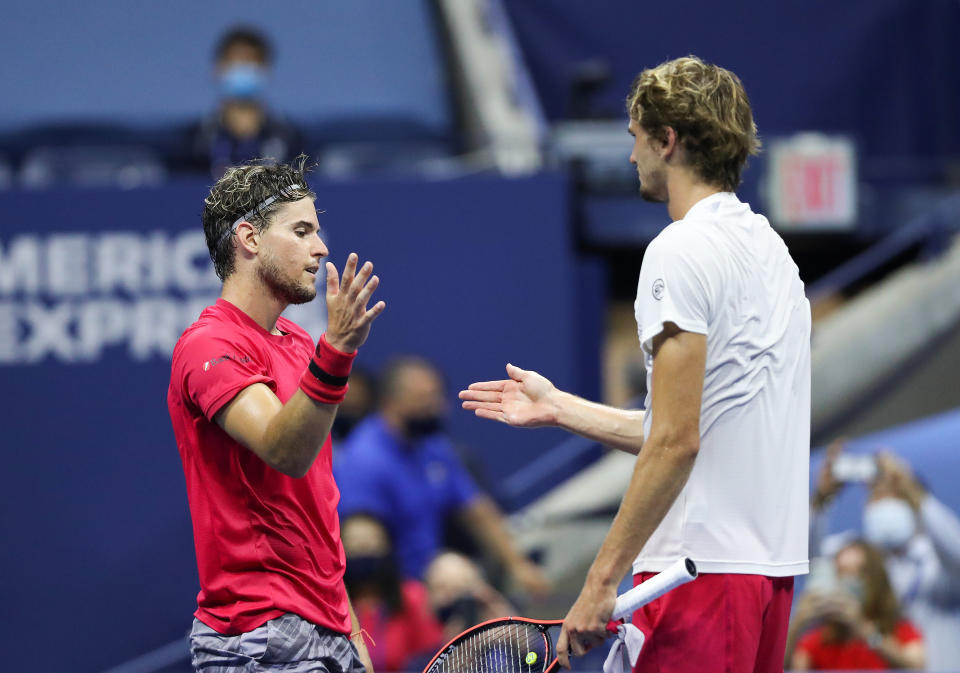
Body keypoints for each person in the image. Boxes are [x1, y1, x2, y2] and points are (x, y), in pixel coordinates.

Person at [460, 55, 811, 672]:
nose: (631, 157)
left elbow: (675, 441)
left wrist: (600, 580)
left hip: (695, 576)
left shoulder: (679, 249)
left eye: (635, 139)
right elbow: (693, 426)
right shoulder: (773, 254)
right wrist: (560, 408)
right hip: (766, 577)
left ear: (667, 141)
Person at [167, 157, 385, 672]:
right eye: (302, 230)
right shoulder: (209, 344)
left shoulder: (298, 343)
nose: (321, 247)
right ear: (249, 238)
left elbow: (313, 508)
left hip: (327, 628)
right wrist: (336, 352)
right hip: (257, 637)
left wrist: (348, 626)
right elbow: (283, 450)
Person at [334, 356, 550, 596]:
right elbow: (361, 542)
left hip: (434, 584)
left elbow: (476, 510)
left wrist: (518, 565)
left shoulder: (433, 447)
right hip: (392, 595)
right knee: (453, 573)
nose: (440, 406)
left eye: (438, 396)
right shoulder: (364, 457)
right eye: (426, 399)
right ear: (392, 402)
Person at [813, 446, 960, 671]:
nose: (881, 503)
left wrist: (911, 487)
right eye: (875, 495)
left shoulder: (938, 562)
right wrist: (820, 501)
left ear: (912, 501)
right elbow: (806, 560)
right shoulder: (858, 560)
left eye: (892, 494)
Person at [787, 540, 925, 670]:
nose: (847, 581)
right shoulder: (821, 640)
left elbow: (917, 667)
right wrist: (798, 623)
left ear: (875, 579)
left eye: (857, 572)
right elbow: (785, 667)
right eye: (841, 572)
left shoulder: (900, 631)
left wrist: (864, 629)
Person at [187, 27, 304, 178]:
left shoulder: (290, 139)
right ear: (217, 69)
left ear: (266, 70)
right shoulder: (196, 141)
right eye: (234, 62)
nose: (242, 69)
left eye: (250, 62)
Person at [341, 513, 443, 672]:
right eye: (353, 542)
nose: (363, 548)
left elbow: (430, 655)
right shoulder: (329, 603)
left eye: (372, 541)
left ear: (388, 546)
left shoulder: (412, 596)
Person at [424, 551, 515, 643]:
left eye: (461, 588)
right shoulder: (430, 655)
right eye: (442, 588)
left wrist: (510, 624)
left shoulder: (503, 636)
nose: (453, 598)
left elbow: (527, 648)